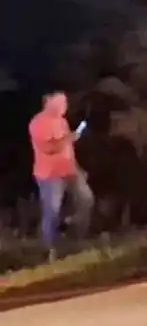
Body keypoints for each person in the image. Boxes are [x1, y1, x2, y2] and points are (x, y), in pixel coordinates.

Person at [28, 91, 93, 258]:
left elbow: (68, 150)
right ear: (48, 101)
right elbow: (49, 148)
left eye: (65, 102)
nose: (65, 105)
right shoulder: (38, 122)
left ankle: (76, 236)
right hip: (50, 175)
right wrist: (69, 138)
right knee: (52, 210)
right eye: (61, 102)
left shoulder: (62, 121)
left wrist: (78, 168)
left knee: (86, 199)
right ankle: (49, 248)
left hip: (70, 170)